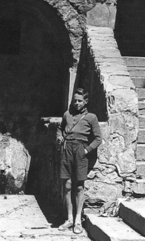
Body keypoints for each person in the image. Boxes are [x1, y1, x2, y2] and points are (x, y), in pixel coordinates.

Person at [56, 88, 102, 234]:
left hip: (80, 150)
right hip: (66, 149)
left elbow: (98, 139)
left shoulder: (91, 117)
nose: (76, 103)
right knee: (67, 184)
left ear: (86, 101)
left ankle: (77, 220)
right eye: (75, 100)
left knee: (80, 186)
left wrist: (86, 150)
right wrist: (59, 138)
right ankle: (69, 218)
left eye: (79, 101)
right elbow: (60, 128)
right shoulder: (67, 114)